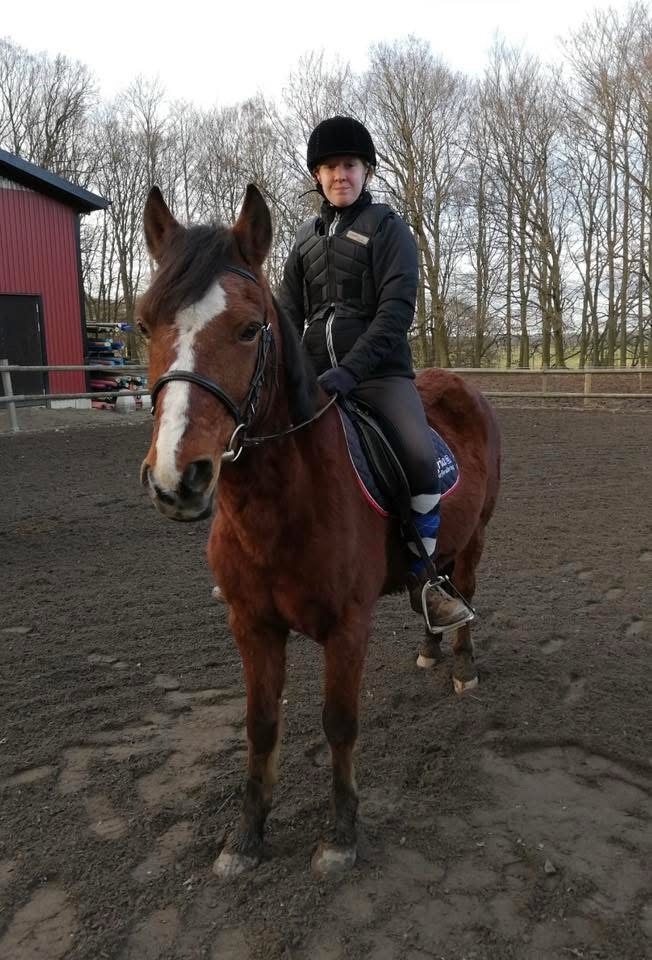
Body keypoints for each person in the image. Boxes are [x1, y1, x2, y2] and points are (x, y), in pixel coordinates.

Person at [277, 115, 468, 630]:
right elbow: (287, 315)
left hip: (380, 376)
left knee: (418, 458)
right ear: (317, 175)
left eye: (350, 165)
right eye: (330, 167)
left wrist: (351, 370)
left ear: (366, 171)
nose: (340, 175)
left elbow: (395, 312)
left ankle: (426, 578)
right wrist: (293, 371)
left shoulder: (388, 229)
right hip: (315, 377)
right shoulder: (303, 240)